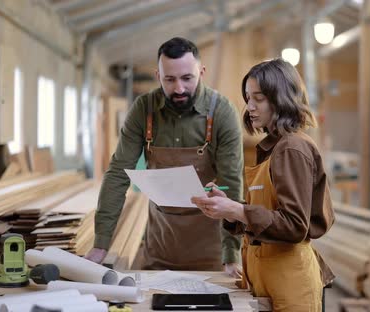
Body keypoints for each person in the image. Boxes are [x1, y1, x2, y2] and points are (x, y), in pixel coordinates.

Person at [85, 37, 243, 277]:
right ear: (158, 76)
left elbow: (232, 183)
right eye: (170, 79)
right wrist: (101, 243)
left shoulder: (221, 112)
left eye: (187, 78)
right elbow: (118, 173)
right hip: (159, 246)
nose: (179, 88)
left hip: (210, 248)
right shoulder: (143, 110)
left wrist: (231, 254)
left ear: (201, 72)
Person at [191, 58, 335, 311]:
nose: (250, 107)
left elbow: (294, 225)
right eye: (248, 98)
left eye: (259, 98)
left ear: (281, 98)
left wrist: (238, 211)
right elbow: (267, 212)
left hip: (290, 281)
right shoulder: (273, 148)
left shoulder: (292, 148)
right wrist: (230, 207)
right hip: (267, 277)